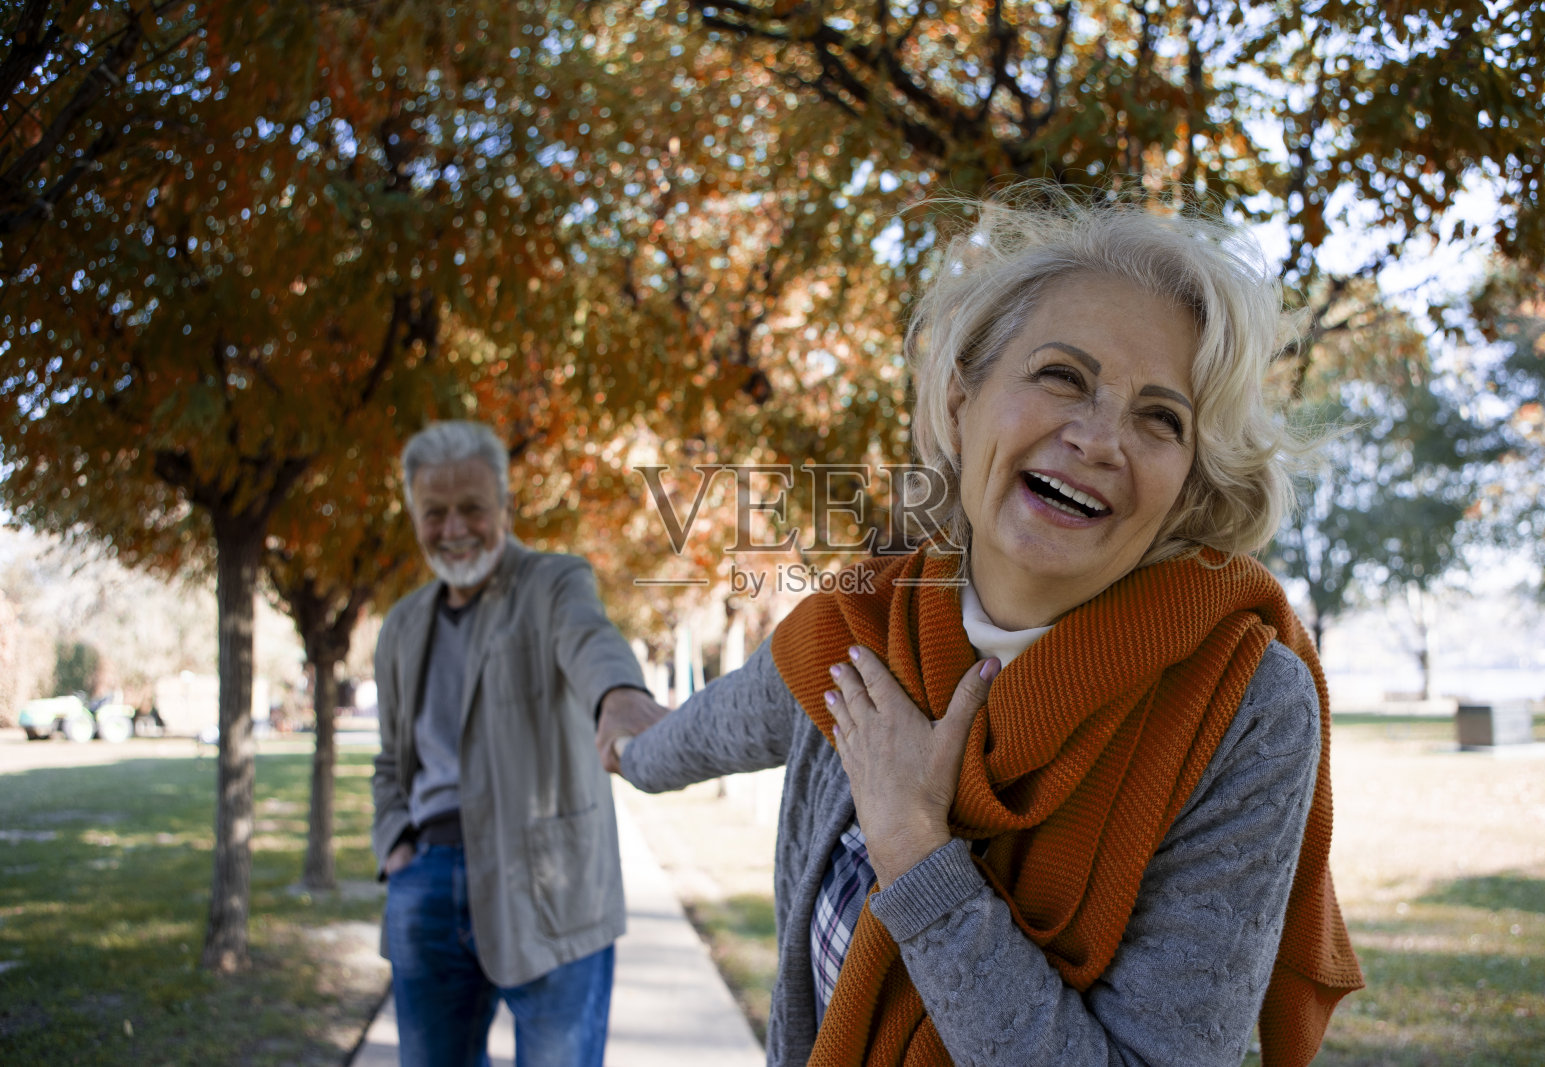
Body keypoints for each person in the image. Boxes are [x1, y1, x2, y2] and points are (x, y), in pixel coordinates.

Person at [606, 191, 1365, 1066]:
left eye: (1162, 417)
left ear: (1189, 484)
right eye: (1061, 376)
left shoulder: (1241, 702)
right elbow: (700, 731)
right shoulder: (866, 624)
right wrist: (625, 737)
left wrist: (915, 851)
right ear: (962, 401)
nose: (1099, 438)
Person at [371, 419, 662, 1067]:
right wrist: (396, 846)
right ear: (414, 513)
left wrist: (619, 695)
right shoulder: (400, 625)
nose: (454, 527)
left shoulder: (553, 584)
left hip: (550, 884)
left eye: (472, 507)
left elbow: (590, 639)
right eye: (434, 511)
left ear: (503, 505)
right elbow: (390, 758)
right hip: (426, 882)